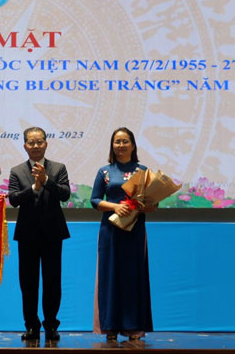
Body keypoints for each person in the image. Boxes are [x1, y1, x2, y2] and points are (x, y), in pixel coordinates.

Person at [90, 127, 154, 341]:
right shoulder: (104, 171)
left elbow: (153, 204)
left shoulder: (143, 171)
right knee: (110, 277)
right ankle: (111, 327)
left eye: (125, 141)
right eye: (117, 142)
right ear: (112, 145)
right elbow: (95, 200)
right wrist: (115, 207)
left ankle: (133, 326)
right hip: (110, 231)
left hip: (135, 231)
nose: (121, 145)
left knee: (133, 276)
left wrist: (146, 206)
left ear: (133, 145)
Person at [8, 127, 71, 341]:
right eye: (31, 142)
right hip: (27, 235)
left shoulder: (58, 168)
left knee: (53, 281)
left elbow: (64, 195)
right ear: (25, 145)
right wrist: (34, 187)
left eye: (39, 142)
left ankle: (51, 325)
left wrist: (46, 181)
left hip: (53, 234)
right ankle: (32, 326)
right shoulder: (17, 171)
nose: (35, 146)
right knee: (28, 283)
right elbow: (14, 199)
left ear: (46, 144)